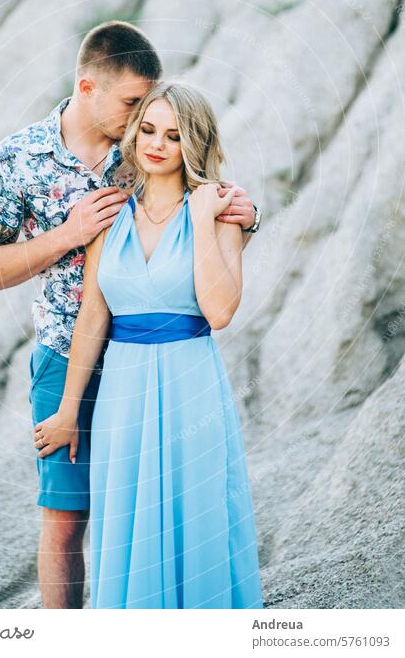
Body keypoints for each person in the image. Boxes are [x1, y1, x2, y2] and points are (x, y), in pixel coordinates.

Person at [0, 21, 261, 609]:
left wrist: (245, 221)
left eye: (151, 112)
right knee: (66, 516)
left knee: (164, 503)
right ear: (88, 86)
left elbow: (198, 198)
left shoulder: (139, 155)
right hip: (63, 350)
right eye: (133, 105)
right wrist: (68, 235)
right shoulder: (18, 159)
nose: (142, 123)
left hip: (160, 359)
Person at [34, 80, 264, 608]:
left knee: (195, 511)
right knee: (128, 519)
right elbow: (92, 315)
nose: (157, 143)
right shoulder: (109, 214)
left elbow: (220, 311)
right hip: (123, 390)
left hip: (192, 386)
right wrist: (70, 409)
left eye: (175, 135)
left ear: (194, 144)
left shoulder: (222, 212)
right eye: (149, 130)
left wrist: (203, 218)